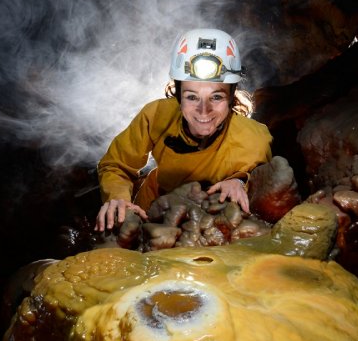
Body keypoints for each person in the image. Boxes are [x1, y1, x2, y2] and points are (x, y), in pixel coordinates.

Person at [94, 28, 273, 231]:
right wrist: (118, 199)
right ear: (178, 94)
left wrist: (239, 183)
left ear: (232, 96)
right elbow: (116, 165)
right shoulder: (156, 116)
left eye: (216, 97)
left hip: (212, 225)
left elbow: (263, 183)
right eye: (192, 97)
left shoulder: (254, 138)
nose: (203, 111)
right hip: (151, 213)